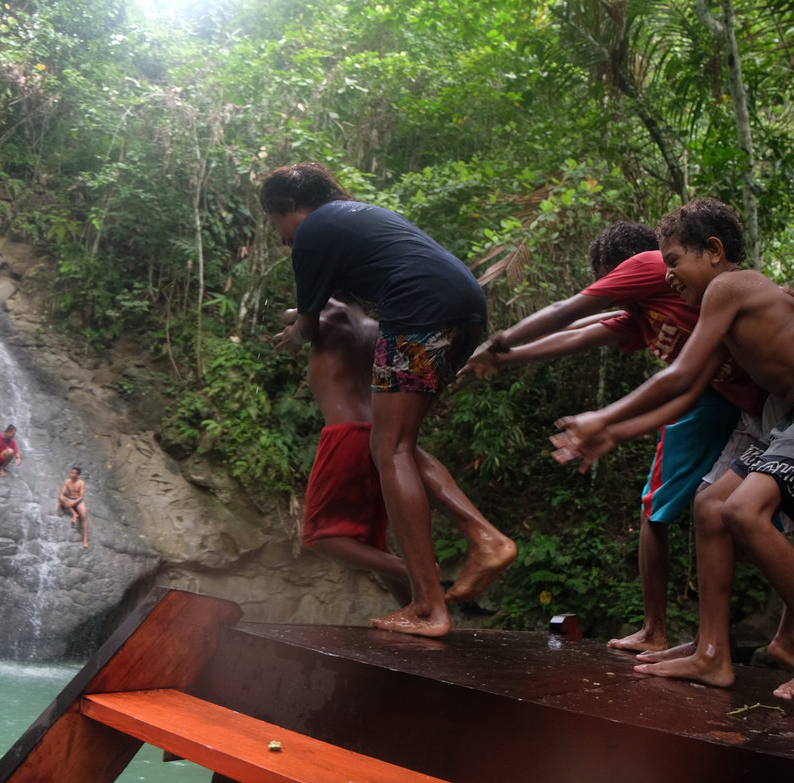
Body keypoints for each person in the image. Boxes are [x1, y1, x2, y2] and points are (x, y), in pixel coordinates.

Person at [553, 197, 794, 699]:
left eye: (673, 263)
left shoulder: (729, 285)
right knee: (721, 508)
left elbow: (679, 374)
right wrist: (615, 432)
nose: (668, 278)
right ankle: (713, 653)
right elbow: (688, 388)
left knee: (745, 512)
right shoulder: (722, 306)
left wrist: (602, 415)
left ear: (712, 250)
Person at [462, 221, 765, 653]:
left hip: (724, 402)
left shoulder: (646, 265)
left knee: (666, 508)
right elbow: (587, 333)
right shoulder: (641, 314)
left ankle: (661, 631)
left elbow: (574, 311)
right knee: (722, 511)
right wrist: (504, 358)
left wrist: (500, 341)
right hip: (729, 399)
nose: (605, 284)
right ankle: (698, 637)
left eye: (604, 275)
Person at [263, 161, 501, 637]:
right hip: (466, 309)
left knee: (388, 448)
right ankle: (481, 538)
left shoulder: (312, 229)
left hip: (419, 311)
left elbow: (310, 322)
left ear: (288, 207)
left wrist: (292, 331)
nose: (286, 241)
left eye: (279, 228)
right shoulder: (360, 218)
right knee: (401, 444)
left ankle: (430, 606)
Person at [288, 298, 515, 606]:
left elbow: (302, 322)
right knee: (373, 543)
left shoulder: (328, 312)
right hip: (384, 438)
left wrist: (293, 328)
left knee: (321, 537)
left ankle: (419, 570)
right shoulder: (381, 331)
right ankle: (420, 609)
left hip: (347, 436)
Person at [58, 467, 89, 548]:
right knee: (61, 498)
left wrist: (72, 503)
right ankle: (74, 513)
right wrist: (66, 500)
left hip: (78, 501)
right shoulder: (67, 481)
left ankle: (85, 539)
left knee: (84, 515)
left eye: (73, 473)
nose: (71, 474)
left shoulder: (81, 483)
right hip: (70, 499)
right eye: (71, 472)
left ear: (77, 475)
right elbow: (62, 494)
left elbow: (81, 497)